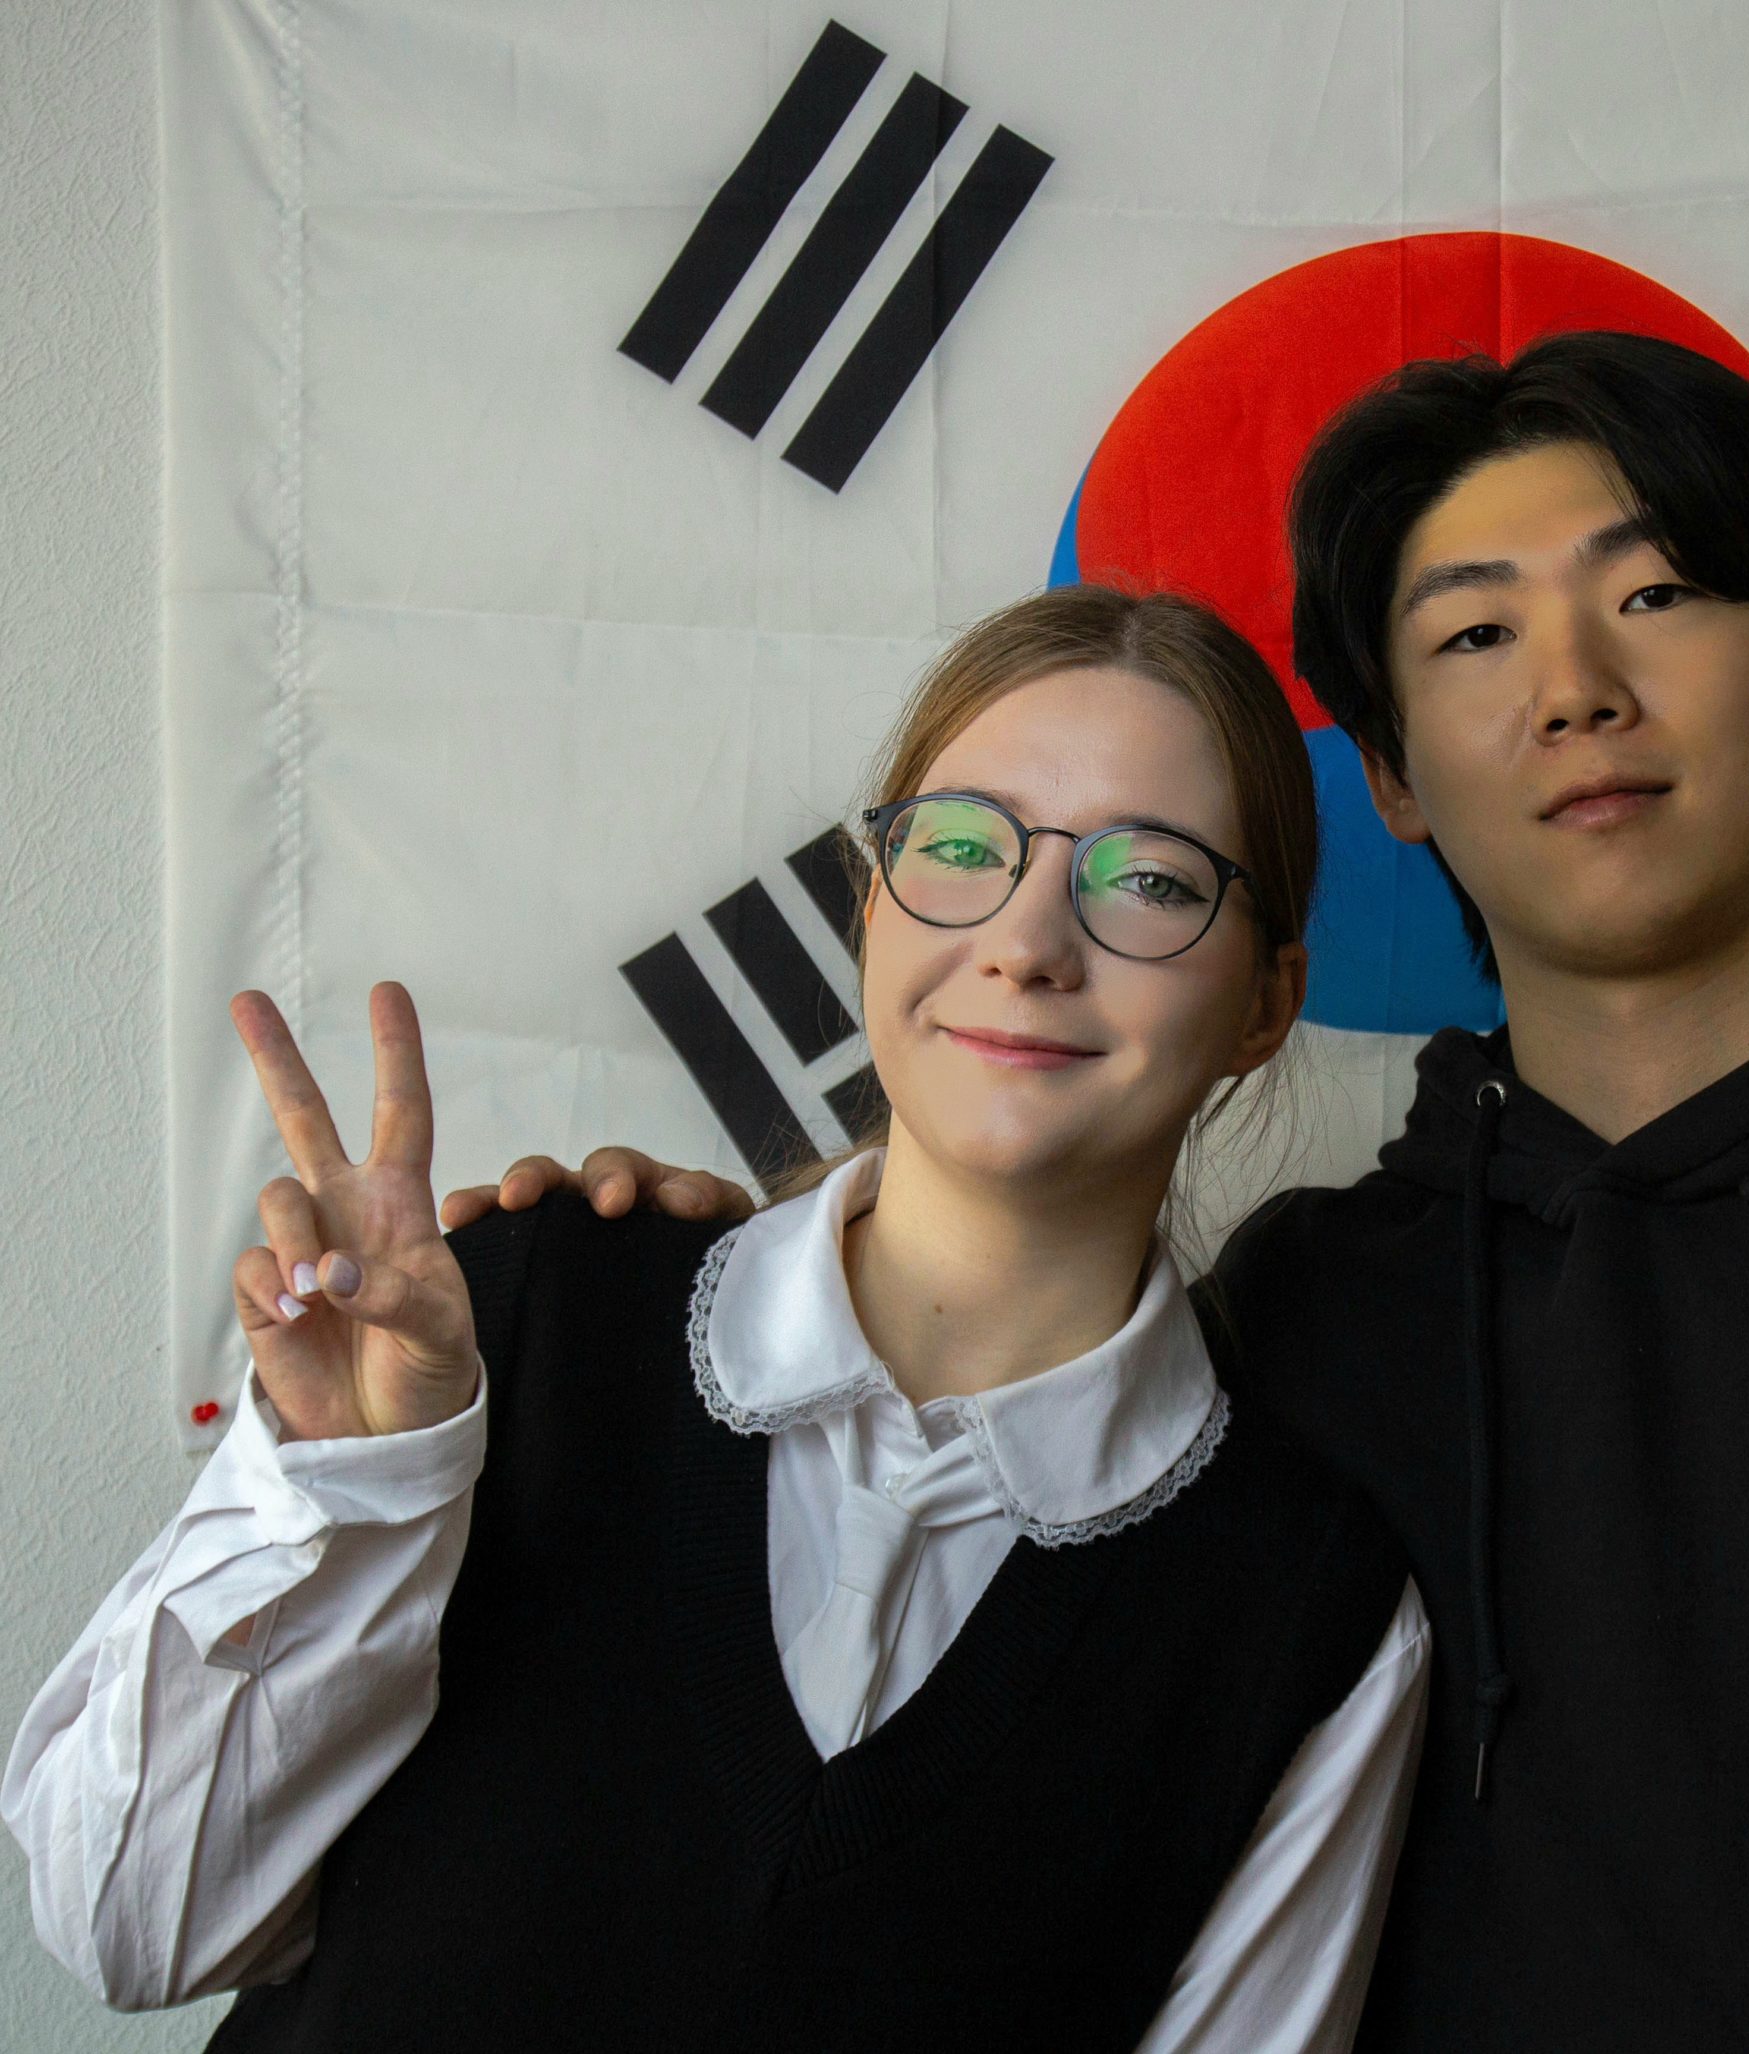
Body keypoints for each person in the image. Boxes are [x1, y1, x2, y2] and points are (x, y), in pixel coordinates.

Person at [441, 334, 1749, 2050]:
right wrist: (683, 1291)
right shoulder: (1299, 1324)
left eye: (1656, 594)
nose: (1573, 690)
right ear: (1386, 773)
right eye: (1471, 633)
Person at [6, 586, 1430, 2052]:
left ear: (1266, 1004)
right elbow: (128, 1924)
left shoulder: (1311, 1614)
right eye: (961, 847)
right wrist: (353, 1486)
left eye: (1150, 880)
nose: (1026, 941)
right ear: (870, 906)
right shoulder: (499, 1326)